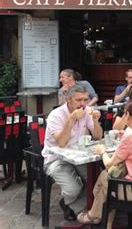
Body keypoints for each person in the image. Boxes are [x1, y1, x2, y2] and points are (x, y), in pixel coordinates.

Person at [76, 99, 132, 227]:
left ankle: (94, 215)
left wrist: (102, 151)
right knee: (106, 177)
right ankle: (97, 217)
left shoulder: (131, 137)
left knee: (106, 176)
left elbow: (109, 163)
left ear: (128, 115)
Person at [42, 84, 103, 221]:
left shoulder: (87, 111)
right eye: (79, 100)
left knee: (97, 178)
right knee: (73, 189)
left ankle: (78, 205)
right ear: (68, 100)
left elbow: (98, 136)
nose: (83, 104)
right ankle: (76, 206)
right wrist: (71, 119)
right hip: (56, 159)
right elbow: (62, 143)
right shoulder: (56, 115)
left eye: (85, 100)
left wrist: (95, 121)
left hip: (77, 156)